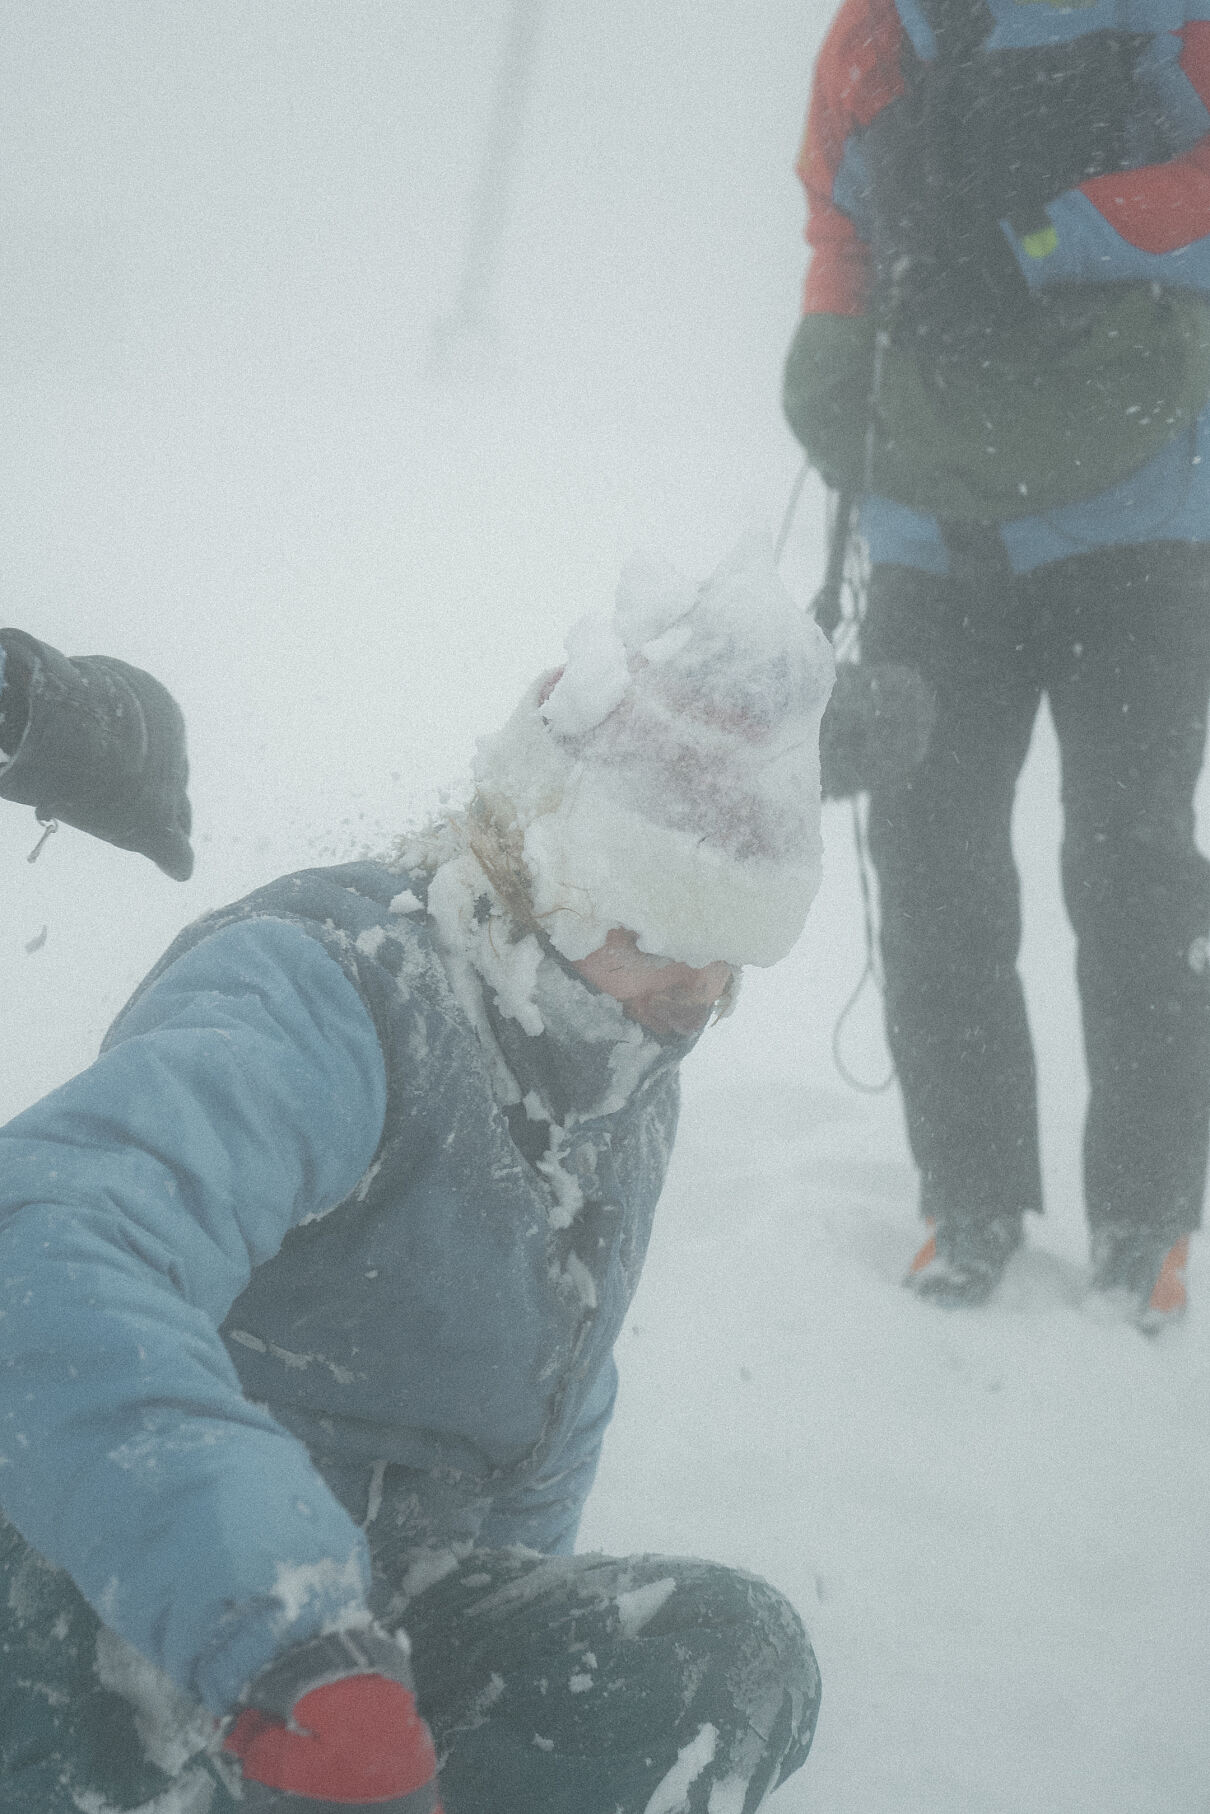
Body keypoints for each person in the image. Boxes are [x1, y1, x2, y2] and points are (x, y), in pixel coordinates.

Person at [0, 539, 831, 1814]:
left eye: (735, 941)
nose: (703, 985)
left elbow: (538, 1427)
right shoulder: (335, 989)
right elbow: (48, 1252)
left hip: (369, 1621)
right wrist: (286, 1640)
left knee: (721, 1647)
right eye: (662, 923)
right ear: (546, 869)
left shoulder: (618, 1071)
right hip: (124, 1583)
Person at [783, 0, 1210, 1326]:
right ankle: (967, 1196)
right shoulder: (880, 30)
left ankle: (1144, 1213)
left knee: (1132, 868)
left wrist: (1033, 240)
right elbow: (843, 224)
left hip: (1135, 530)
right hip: (939, 526)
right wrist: (829, 354)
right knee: (932, 862)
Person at [0, 625, 193, 878]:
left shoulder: (145, 813)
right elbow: (181, 865)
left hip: (41, 680)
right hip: (37, 715)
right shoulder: (144, 819)